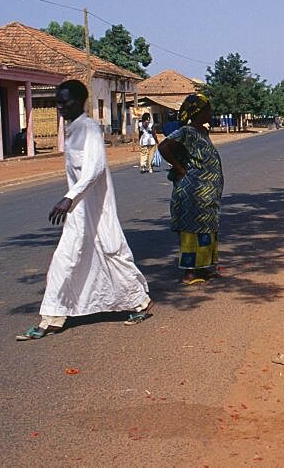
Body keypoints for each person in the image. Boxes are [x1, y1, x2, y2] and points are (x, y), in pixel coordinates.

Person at [16, 80, 152, 340]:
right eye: (58, 102)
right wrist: (73, 201)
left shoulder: (89, 129)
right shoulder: (72, 129)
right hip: (80, 212)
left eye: (65, 102)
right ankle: (52, 317)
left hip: (95, 207)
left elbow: (94, 168)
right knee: (66, 259)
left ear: (80, 101)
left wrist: (69, 198)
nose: (60, 107)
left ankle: (139, 302)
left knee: (111, 252)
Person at [158, 94, 224, 285]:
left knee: (207, 229)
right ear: (199, 112)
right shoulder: (187, 131)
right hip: (193, 192)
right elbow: (164, 147)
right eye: (208, 109)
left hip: (207, 193)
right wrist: (179, 169)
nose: (211, 112)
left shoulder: (203, 132)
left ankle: (203, 268)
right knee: (191, 231)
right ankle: (189, 273)